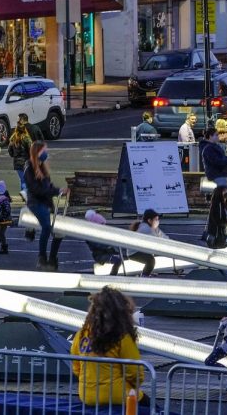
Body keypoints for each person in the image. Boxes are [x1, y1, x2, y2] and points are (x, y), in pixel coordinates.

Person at [70, 287, 151, 408]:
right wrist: (132, 386)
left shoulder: (82, 334)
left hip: (87, 396)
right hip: (118, 395)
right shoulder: (122, 335)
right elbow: (134, 372)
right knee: (149, 405)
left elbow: (76, 367)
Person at [25, 141, 66, 271]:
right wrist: (56, 191)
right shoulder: (30, 168)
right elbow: (36, 190)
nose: (46, 153)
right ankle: (42, 257)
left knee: (59, 231)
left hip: (46, 201)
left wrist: (59, 190)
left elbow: (48, 186)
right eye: (44, 151)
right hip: (36, 202)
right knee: (47, 227)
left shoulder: (43, 167)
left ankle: (52, 259)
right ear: (37, 152)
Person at [129, 209, 167, 276]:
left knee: (151, 256)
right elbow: (157, 242)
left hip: (142, 250)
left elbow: (163, 237)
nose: (158, 221)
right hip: (134, 252)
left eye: (158, 219)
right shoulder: (146, 229)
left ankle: (147, 273)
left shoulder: (153, 227)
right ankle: (144, 277)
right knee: (151, 260)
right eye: (156, 219)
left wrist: (172, 244)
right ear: (149, 220)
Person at [8, 121, 32, 196]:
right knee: (26, 180)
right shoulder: (27, 138)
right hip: (26, 162)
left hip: (17, 163)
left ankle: (23, 194)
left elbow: (10, 151)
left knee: (22, 180)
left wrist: (14, 155)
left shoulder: (13, 139)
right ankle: (25, 194)